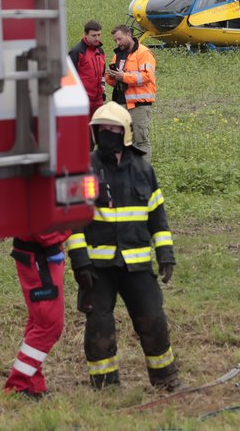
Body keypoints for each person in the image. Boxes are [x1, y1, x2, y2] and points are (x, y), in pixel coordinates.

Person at [65, 102, 180, 391]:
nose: (107, 133)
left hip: (137, 264)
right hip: (97, 267)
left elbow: (157, 215)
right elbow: (74, 219)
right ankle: (105, 385)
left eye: (113, 128)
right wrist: (79, 260)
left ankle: (166, 378)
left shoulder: (143, 169)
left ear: (126, 132)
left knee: (152, 319)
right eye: (101, 129)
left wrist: (165, 252)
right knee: (99, 327)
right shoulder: (85, 169)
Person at [3, 228, 71, 399]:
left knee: (39, 321)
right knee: (49, 324)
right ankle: (18, 385)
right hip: (40, 253)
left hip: (41, 252)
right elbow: (39, 219)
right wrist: (62, 234)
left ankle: (33, 384)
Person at [105, 25, 156, 161]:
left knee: (140, 141)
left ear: (128, 35)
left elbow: (146, 76)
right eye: (115, 41)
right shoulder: (117, 55)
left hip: (138, 105)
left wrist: (124, 76)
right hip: (121, 104)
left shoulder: (143, 53)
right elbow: (113, 82)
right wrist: (111, 76)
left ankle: (142, 174)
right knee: (123, 141)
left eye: (120, 39)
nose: (118, 43)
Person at [68, 19, 106, 117]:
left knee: (97, 130)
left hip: (98, 101)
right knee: (83, 131)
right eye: (94, 35)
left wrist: (103, 89)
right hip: (83, 100)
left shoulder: (100, 52)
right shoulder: (77, 52)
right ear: (85, 34)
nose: (97, 38)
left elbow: (102, 74)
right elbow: (70, 78)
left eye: (99, 35)